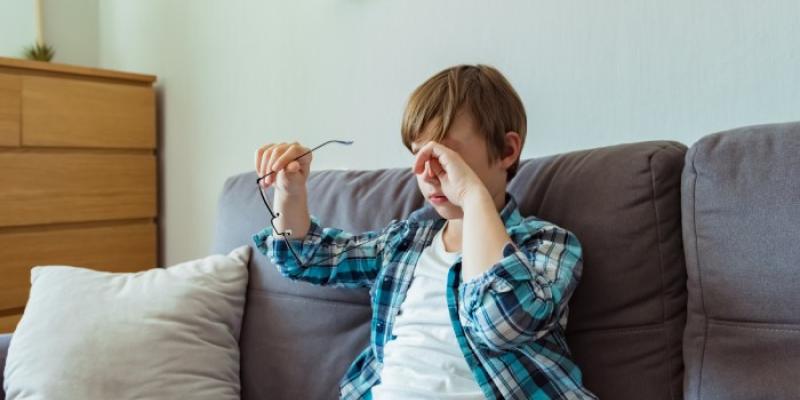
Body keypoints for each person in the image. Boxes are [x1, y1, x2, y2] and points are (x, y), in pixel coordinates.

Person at [252, 64, 597, 399]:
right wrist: (290, 192)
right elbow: (304, 257)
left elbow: (502, 326)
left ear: (507, 151)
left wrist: (473, 197)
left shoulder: (546, 244)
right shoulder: (405, 243)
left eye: (444, 155)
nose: (427, 173)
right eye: (418, 155)